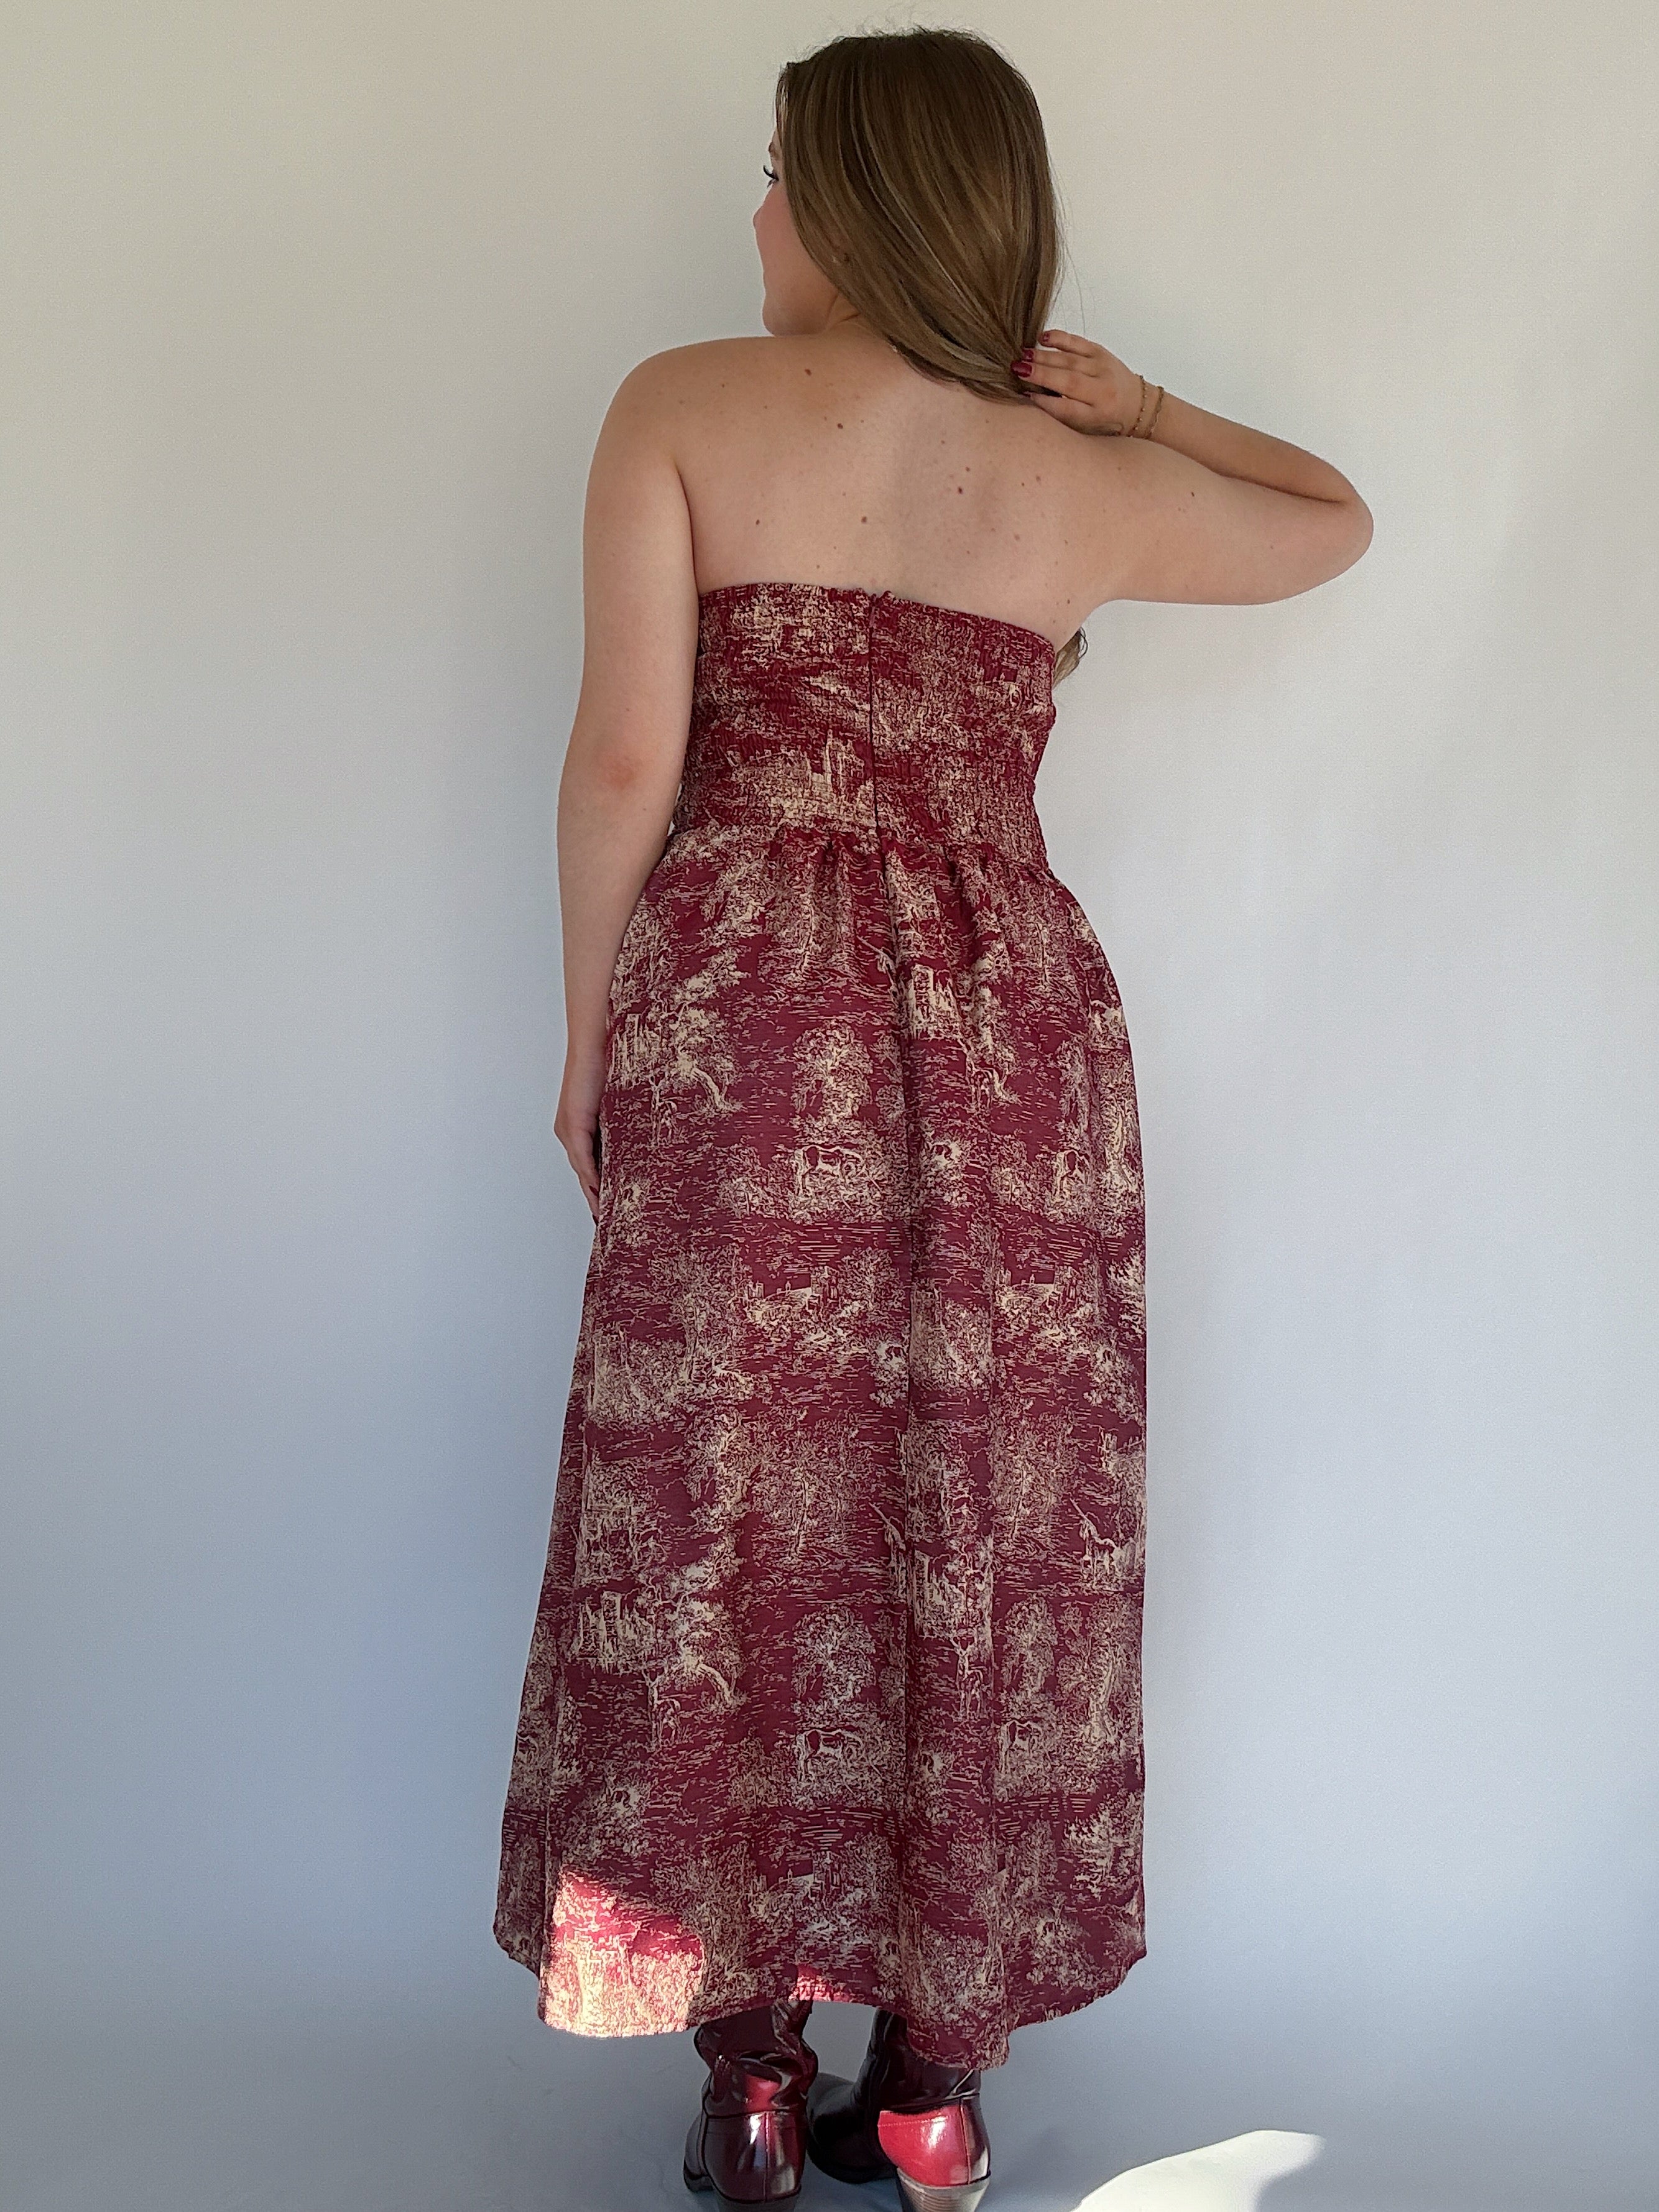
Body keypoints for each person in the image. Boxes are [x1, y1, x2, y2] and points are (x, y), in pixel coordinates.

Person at [495, 27, 1371, 2212]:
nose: (757, 215)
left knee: (726, 1516)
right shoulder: (1065, 479)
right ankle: (934, 2081)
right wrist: (1139, 408)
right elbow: (1328, 524)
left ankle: (752, 2084)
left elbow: (624, 762)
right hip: (1010, 1047)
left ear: (857, 198)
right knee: (988, 1508)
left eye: (779, 175)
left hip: (742, 1019)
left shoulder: (680, 404)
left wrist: (591, 1029)